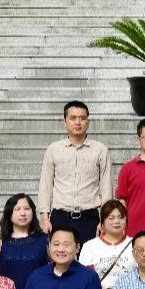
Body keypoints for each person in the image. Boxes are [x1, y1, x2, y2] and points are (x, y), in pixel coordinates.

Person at [37, 100, 112, 246]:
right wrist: (45, 219)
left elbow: (106, 187)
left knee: (89, 258)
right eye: (72, 118)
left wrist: (104, 220)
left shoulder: (100, 150)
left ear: (88, 122)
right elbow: (45, 185)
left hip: (90, 217)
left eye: (82, 118)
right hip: (60, 216)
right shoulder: (53, 149)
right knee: (60, 257)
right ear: (64, 122)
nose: (78, 122)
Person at [77, 199, 135, 289]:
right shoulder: (90, 246)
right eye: (111, 218)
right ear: (102, 222)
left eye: (121, 217)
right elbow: (87, 279)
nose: (116, 221)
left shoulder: (136, 244)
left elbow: (144, 275)